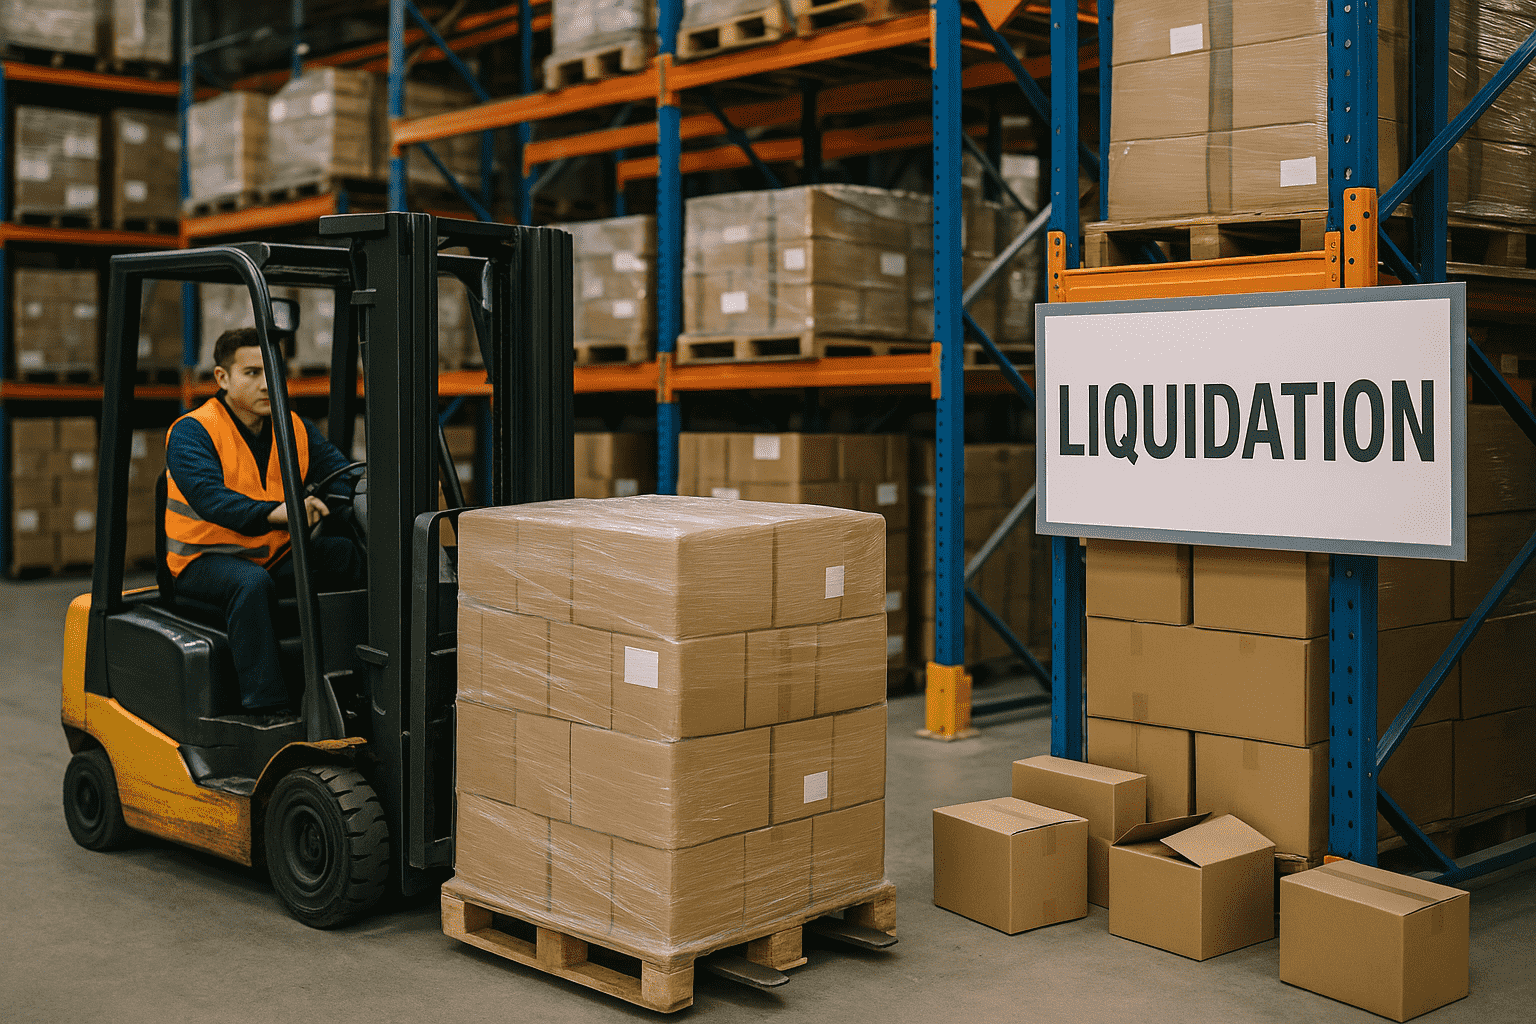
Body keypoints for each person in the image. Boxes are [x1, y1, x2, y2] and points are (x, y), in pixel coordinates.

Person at [164, 327, 363, 720]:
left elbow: (340, 475)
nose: (265, 384)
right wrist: (279, 513)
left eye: (272, 372)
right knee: (250, 585)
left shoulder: (293, 427)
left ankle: (359, 679)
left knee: (346, 555)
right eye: (252, 373)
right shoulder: (192, 431)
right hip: (201, 560)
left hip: (271, 553)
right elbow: (211, 499)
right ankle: (266, 710)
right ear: (222, 378)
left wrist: (370, 494)